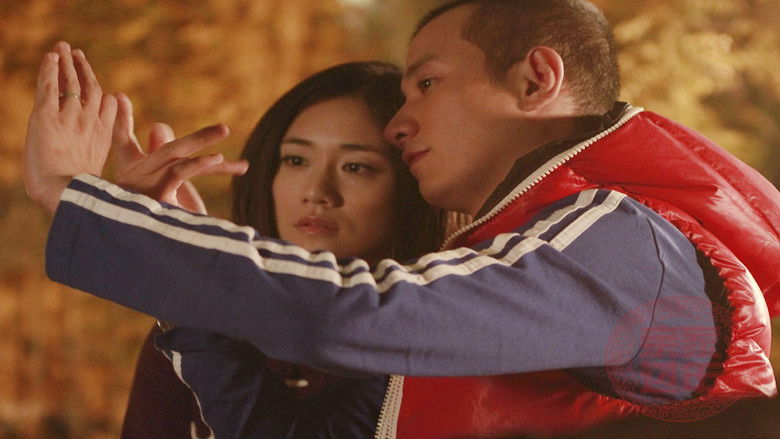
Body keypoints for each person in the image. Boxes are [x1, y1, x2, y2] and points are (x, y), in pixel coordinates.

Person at [23, 0, 780, 437]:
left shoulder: (621, 239)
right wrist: (177, 279)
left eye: (426, 84)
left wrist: (83, 201)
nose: (399, 121)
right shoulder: (505, 273)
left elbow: (347, 314)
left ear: (535, 79)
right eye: (294, 159)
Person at [117, 61, 444, 438]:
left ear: (412, 185)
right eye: (296, 160)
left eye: (356, 167)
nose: (316, 192)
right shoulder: (196, 326)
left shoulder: (435, 330)